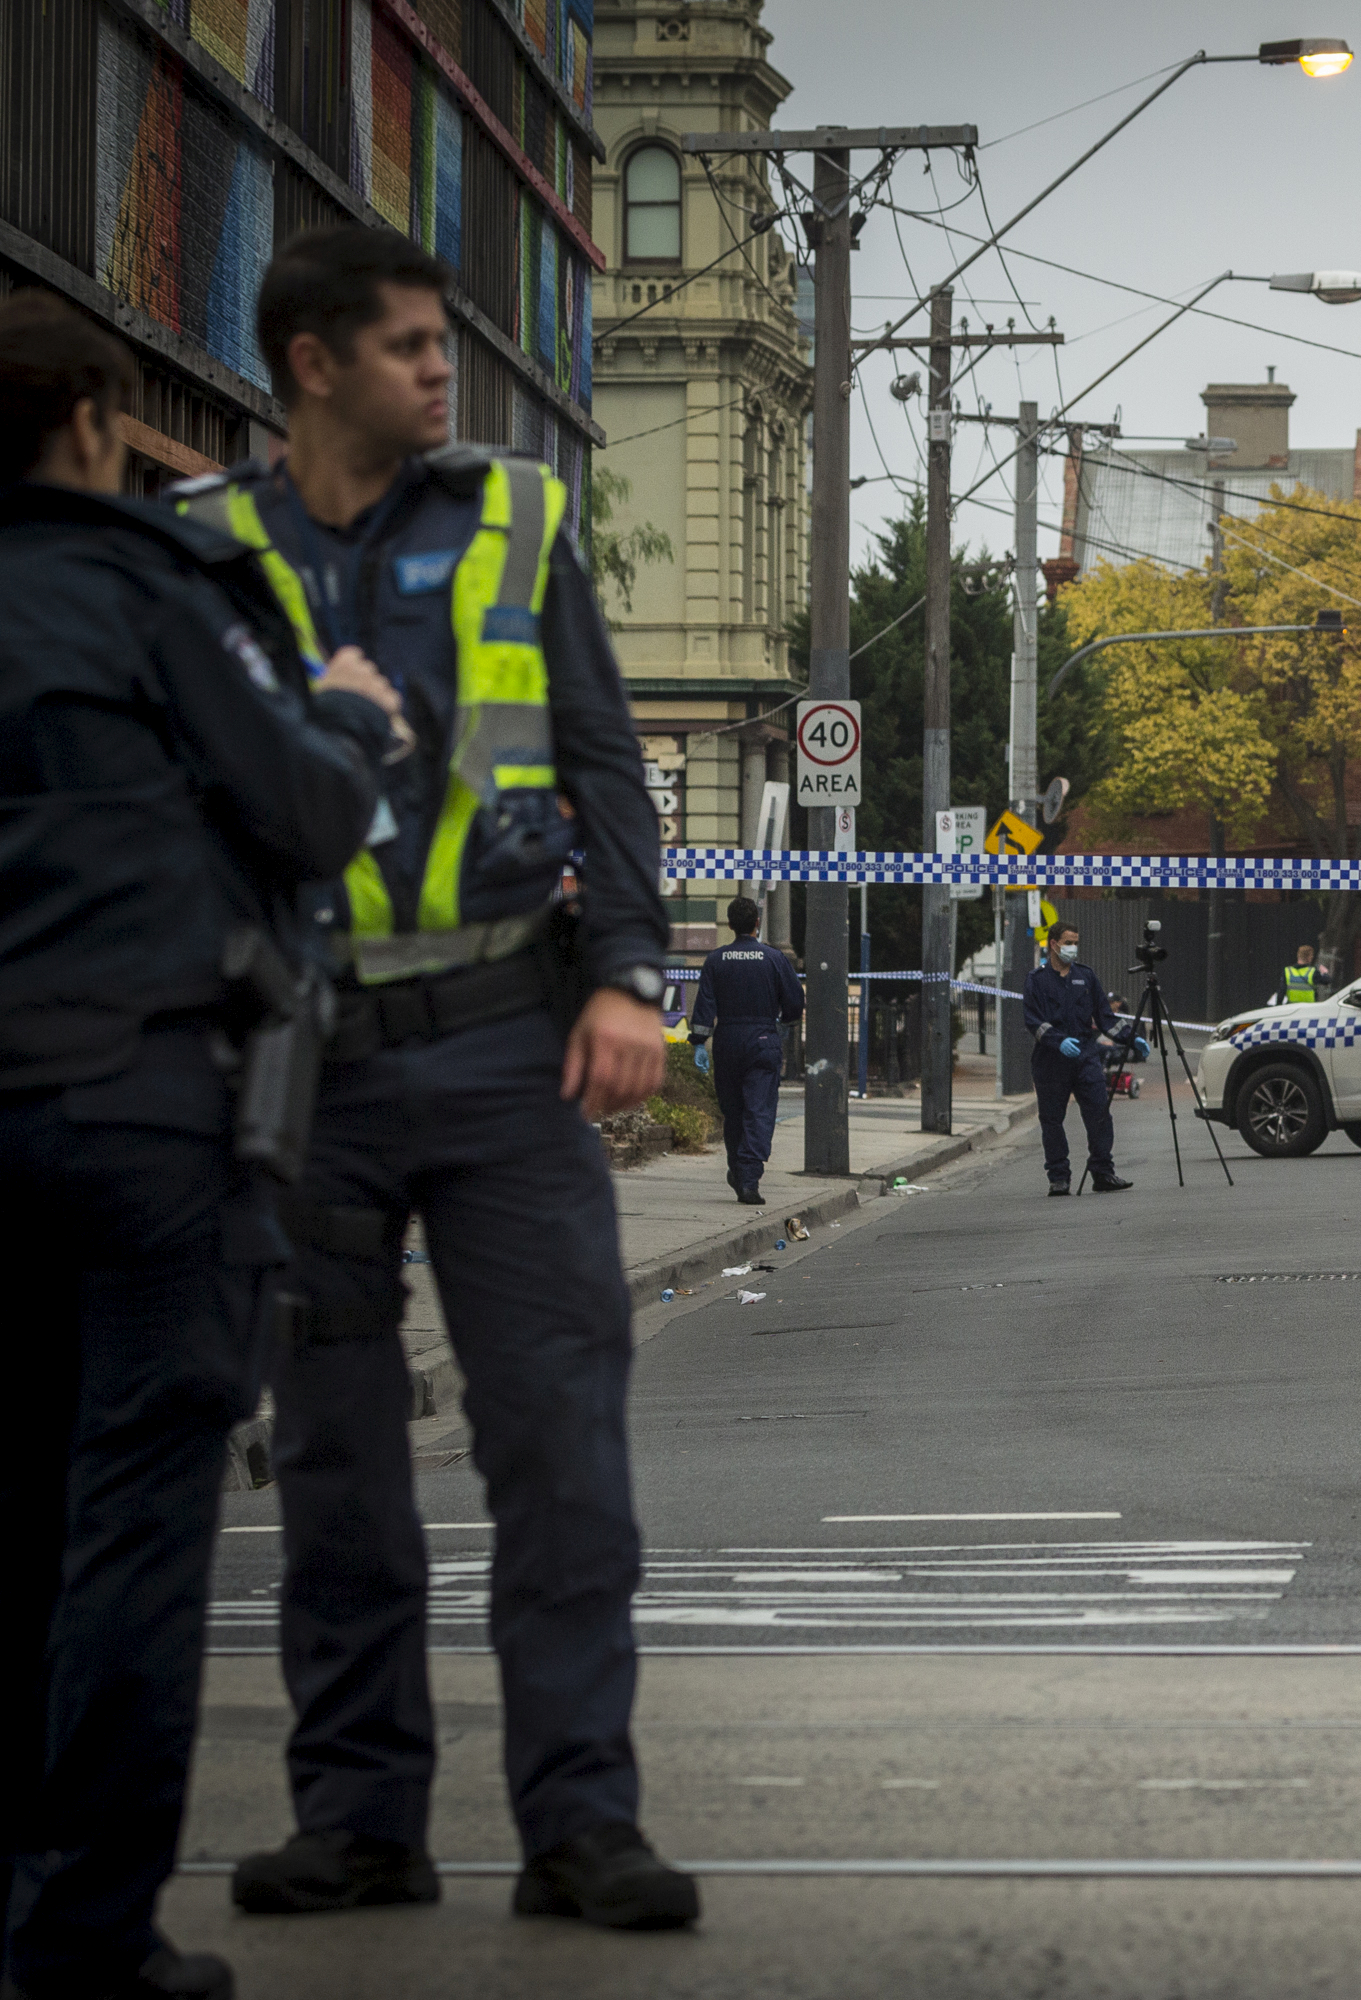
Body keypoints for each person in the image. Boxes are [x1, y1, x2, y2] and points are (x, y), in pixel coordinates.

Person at [181, 227, 697, 1932]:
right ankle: (359, 1820)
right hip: (296, 1060)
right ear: (311, 364)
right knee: (330, 1455)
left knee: (558, 1445)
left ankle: (580, 1825)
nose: (440, 373)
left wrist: (631, 971)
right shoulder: (200, 553)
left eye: (444, 345)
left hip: (504, 1040)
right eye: (405, 347)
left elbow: (606, 756)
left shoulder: (515, 521)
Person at [1, 294, 397, 2000]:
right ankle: (84, 1940)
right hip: (136, 1121)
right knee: (133, 1542)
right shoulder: (154, 594)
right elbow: (305, 807)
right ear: (95, 424)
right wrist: (352, 716)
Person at [688, 895, 802, 1204]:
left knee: (734, 1111)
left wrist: (699, 1042)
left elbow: (704, 1006)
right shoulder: (775, 959)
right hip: (763, 1040)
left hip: (727, 1041)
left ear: (729, 924)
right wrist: (784, 1022)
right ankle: (749, 1177)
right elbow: (794, 1002)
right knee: (758, 1110)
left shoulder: (715, 960)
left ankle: (737, 1169)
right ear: (757, 923)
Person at [1023, 922, 1144, 1195]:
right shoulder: (1037, 979)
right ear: (1054, 944)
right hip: (1051, 1060)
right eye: (1068, 942)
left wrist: (1130, 1037)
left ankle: (1102, 1172)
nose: (1073, 948)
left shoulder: (1086, 976)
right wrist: (1057, 1041)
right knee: (1052, 1120)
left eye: (1076, 942)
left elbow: (1105, 1017)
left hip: (1085, 1056)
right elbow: (1033, 1020)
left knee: (1099, 1113)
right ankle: (1058, 1177)